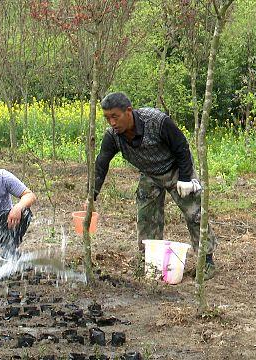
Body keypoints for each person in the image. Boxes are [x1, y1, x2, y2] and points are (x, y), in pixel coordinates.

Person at [92, 92, 217, 280]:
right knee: (146, 217)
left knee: (195, 214)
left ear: (128, 111)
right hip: (149, 173)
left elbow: (181, 146)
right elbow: (102, 163)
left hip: (176, 168)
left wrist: (185, 178)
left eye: (115, 117)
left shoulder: (157, 121)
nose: (111, 123)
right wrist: (91, 195)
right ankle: (149, 260)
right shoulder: (113, 136)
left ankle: (206, 260)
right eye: (107, 118)